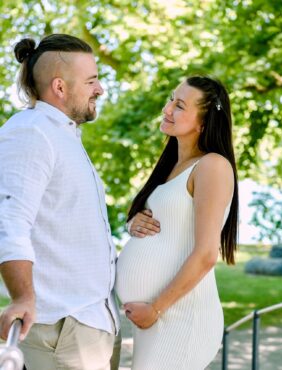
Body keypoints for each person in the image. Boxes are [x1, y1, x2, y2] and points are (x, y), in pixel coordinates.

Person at [0, 34, 121, 370]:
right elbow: (8, 220)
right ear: (60, 87)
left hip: (90, 325)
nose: (100, 89)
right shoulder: (31, 131)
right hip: (62, 331)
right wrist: (22, 296)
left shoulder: (64, 136)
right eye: (92, 81)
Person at [115, 75, 239, 369]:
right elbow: (169, 226)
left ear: (203, 123)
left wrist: (156, 308)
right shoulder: (173, 166)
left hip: (179, 316)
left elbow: (207, 254)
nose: (167, 108)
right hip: (155, 317)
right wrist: (134, 224)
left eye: (180, 105)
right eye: (171, 98)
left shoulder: (212, 166)